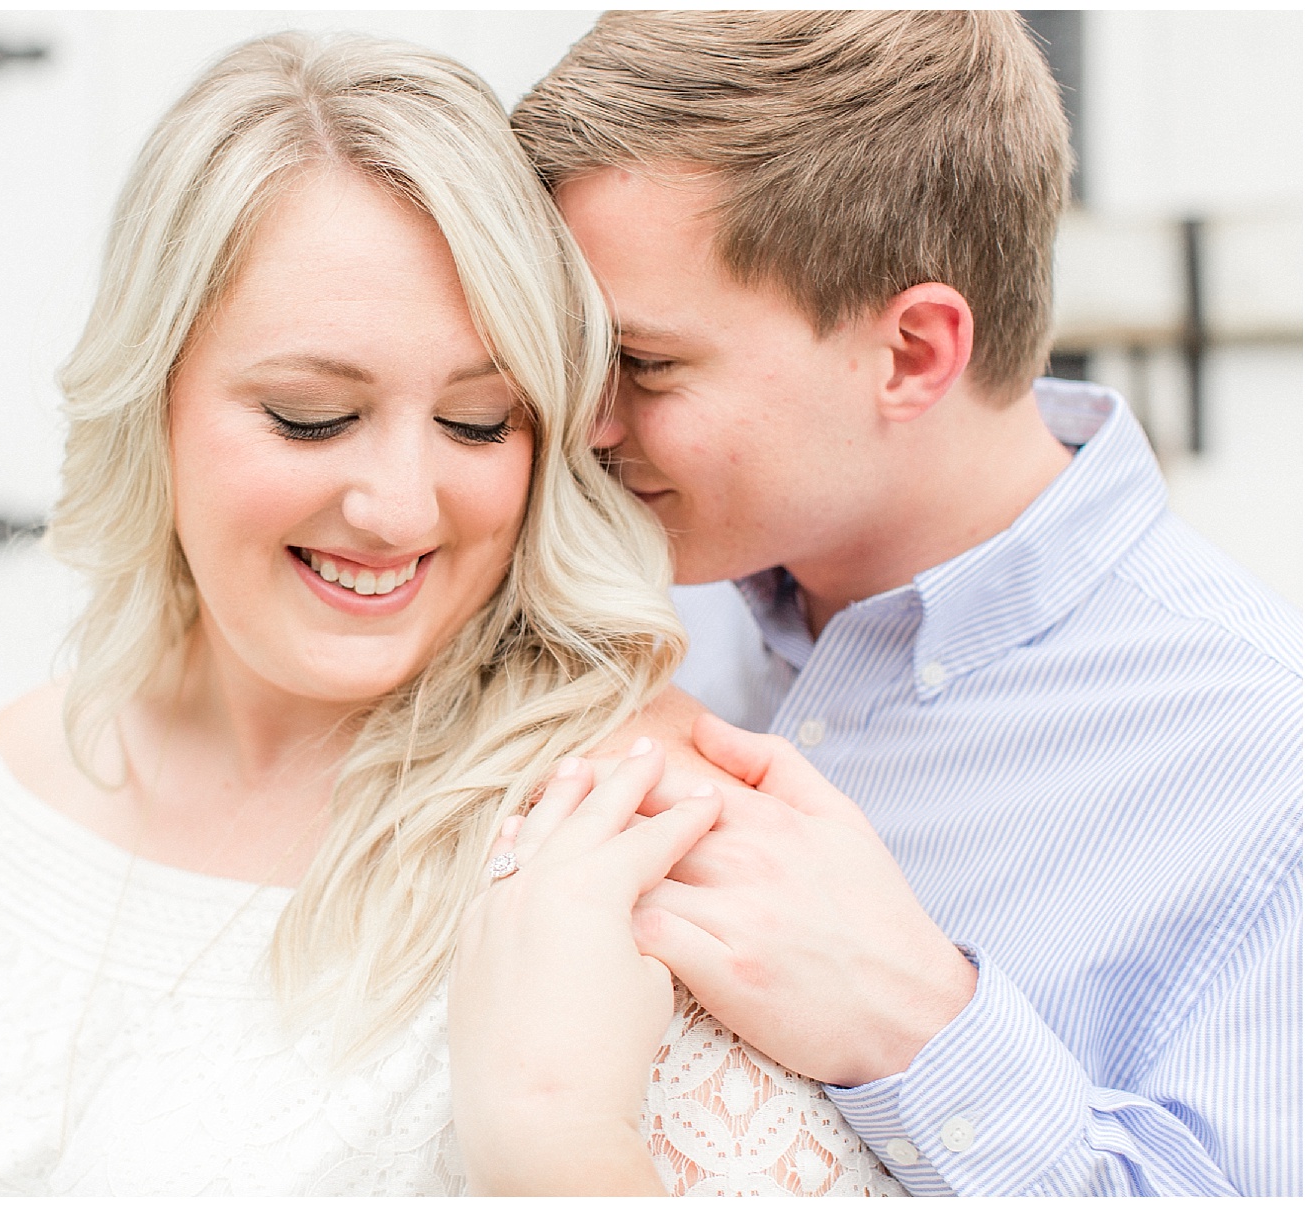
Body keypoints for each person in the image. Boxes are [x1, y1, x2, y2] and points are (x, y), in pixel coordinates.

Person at [0, 32, 904, 1196]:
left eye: (477, 422)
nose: (400, 507)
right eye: (313, 415)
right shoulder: (7, 785)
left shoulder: (630, 838)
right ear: (152, 394)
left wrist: (552, 1142)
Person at [509, 9, 1301, 1197]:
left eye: (648, 365)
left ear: (914, 352)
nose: (587, 421)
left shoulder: (1273, 767)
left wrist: (919, 1027)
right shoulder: (600, 603)